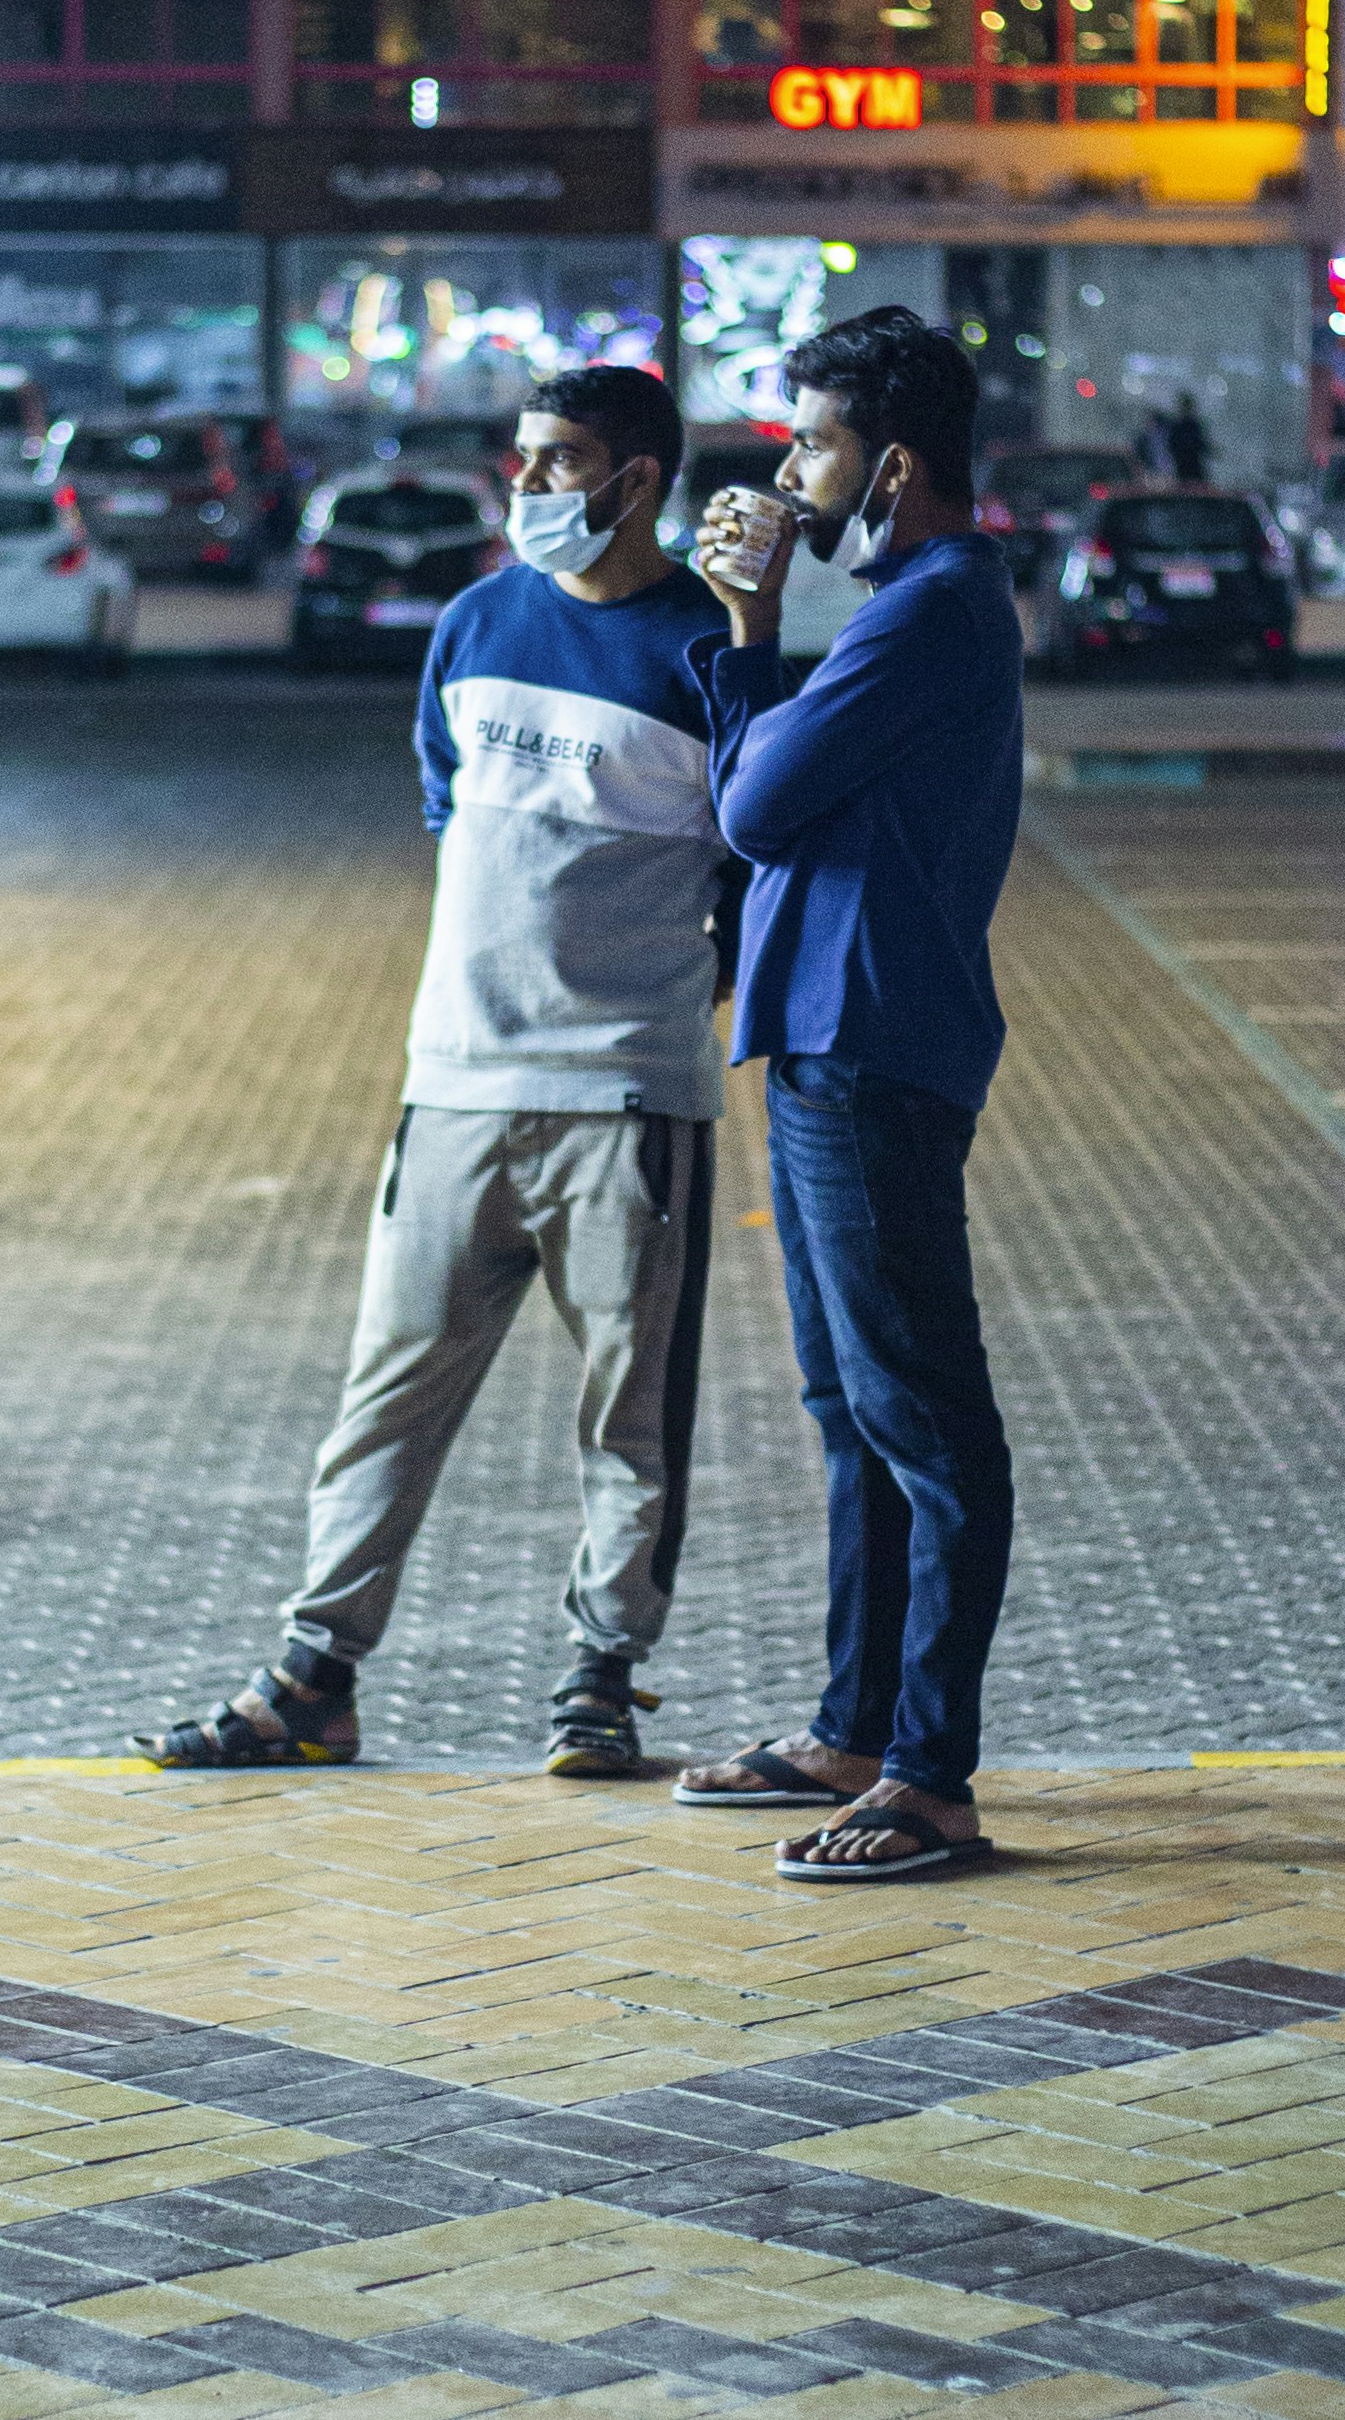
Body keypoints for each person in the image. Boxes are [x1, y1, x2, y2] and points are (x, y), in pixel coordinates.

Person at [139, 364, 740, 1779]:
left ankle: (600, 1674)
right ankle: (312, 1677)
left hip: (629, 1098)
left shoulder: (707, 649)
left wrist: (664, 984)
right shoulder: (474, 624)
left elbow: (756, 856)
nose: (526, 487)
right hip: (455, 1085)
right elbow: (446, 801)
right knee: (385, 1401)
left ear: (634, 480)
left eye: (556, 463)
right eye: (522, 460)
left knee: (631, 1409)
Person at [678, 306, 1024, 1884]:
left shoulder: (929, 613)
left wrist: (746, 625)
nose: (785, 470)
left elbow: (749, 803)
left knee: (922, 1420)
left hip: (872, 1044)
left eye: (810, 443)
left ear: (889, 465)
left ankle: (931, 1776)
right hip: (822, 1038)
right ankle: (854, 1726)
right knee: (847, 1411)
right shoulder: (903, 605)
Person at [1165, 390, 1214, 483]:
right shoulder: (1177, 426)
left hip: (1193, 462)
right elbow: (1171, 445)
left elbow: (1201, 443)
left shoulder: (1195, 425)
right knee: (1187, 485)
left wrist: (1209, 449)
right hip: (1183, 463)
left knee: (1197, 485)